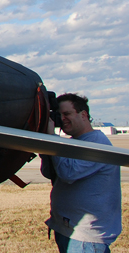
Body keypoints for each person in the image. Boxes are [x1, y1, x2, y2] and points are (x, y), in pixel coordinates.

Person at [41, 93, 122, 252]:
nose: (62, 118)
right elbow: (50, 173)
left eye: (67, 114)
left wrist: (52, 139)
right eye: (59, 115)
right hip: (68, 230)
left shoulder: (96, 143)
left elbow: (68, 173)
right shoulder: (72, 144)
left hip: (85, 239)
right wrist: (46, 149)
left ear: (83, 115)